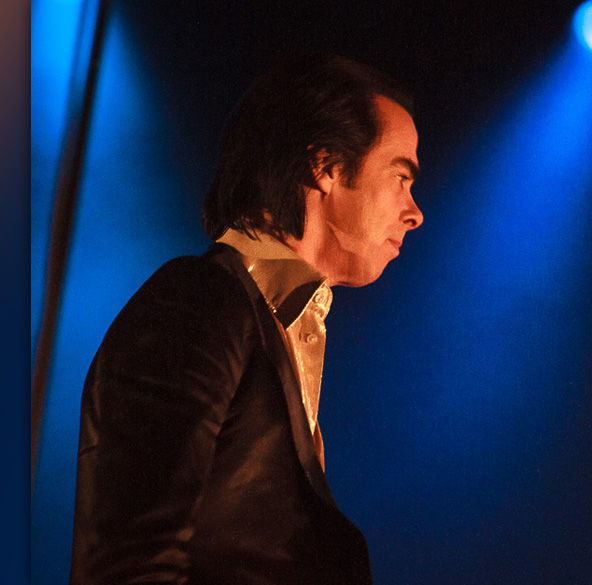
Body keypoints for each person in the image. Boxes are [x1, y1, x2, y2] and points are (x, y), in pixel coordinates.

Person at [69, 55, 423, 585]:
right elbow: (131, 560)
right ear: (325, 166)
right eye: (400, 177)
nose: (414, 212)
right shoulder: (194, 300)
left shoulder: (261, 317)